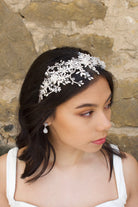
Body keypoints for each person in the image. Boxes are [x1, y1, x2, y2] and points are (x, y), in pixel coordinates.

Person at [0, 47, 137, 207]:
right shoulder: (5, 176)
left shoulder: (126, 171)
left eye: (107, 105)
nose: (106, 124)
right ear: (46, 115)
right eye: (86, 113)